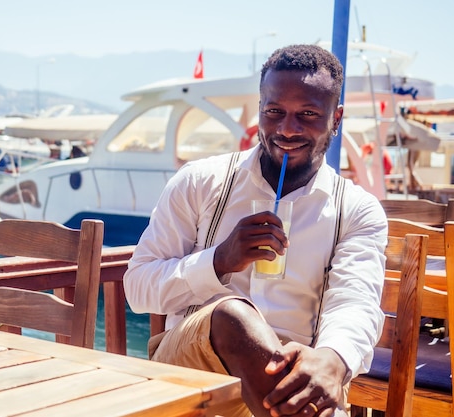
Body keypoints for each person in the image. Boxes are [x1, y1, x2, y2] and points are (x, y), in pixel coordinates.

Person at [123, 44, 387, 417]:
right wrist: (219, 260)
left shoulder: (356, 210)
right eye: (274, 111)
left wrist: (333, 360)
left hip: (299, 380)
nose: (287, 129)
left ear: (336, 118)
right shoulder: (200, 181)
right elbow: (137, 289)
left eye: (308, 114)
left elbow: (354, 303)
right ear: (260, 109)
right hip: (192, 371)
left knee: (303, 379)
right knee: (232, 315)